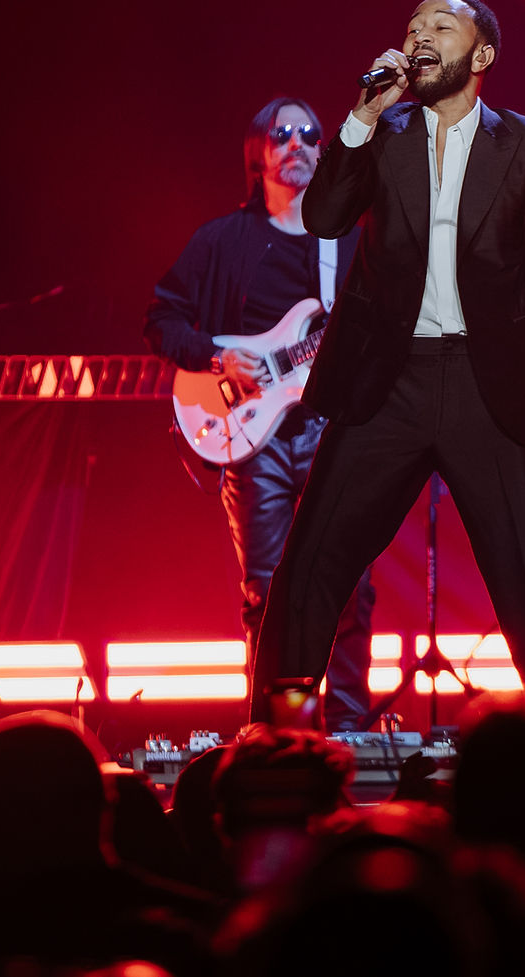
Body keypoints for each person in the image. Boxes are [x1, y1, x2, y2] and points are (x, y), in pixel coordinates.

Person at [250, 0, 525, 722]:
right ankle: (274, 738)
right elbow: (323, 216)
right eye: (411, 25)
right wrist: (360, 116)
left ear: (480, 56)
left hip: (490, 386)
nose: (419, 36)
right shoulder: (380, 132)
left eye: (440, 27)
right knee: (312, 564)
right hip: (387, 383)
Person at [144, 96, 374, 731]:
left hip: (333, 428)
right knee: (268, 592)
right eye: (282, 134)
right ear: (259, 154)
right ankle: (281, 732)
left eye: (309, 133)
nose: (297, 143)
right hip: (253, 436)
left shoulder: (349, 242)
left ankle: (351, 733)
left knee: (349, 581)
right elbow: (159, 319)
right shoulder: (222, 241)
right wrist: (220, 361)